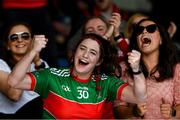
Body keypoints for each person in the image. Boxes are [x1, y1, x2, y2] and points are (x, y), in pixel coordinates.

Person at [8, 33, 147, 119]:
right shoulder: (52, 76)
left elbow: (139, 97)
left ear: (99, 61)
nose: (85, 55)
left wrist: (136, 69)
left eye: (93, 52)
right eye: (82, 49)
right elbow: (13, 81)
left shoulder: (105, 82)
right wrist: (32, 52)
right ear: (74, 53)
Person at [116, 18, 180, 119]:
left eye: (151, 29)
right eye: (139, 30)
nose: (144, 31)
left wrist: (173, 112)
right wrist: (134, 112)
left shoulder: (176, 68)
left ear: (161, 40)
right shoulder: (124, 68)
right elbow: (118, 109)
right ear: (136, 41)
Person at [0, 22, 49, 118]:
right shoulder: (1, 64)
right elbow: (14, 95)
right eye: (14, 38)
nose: (20, 40)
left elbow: (51, 94)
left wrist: (38, 62)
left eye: (25, 36)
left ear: (32, 41)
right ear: (8, 46)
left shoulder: (40, 63)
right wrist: (30, 55)